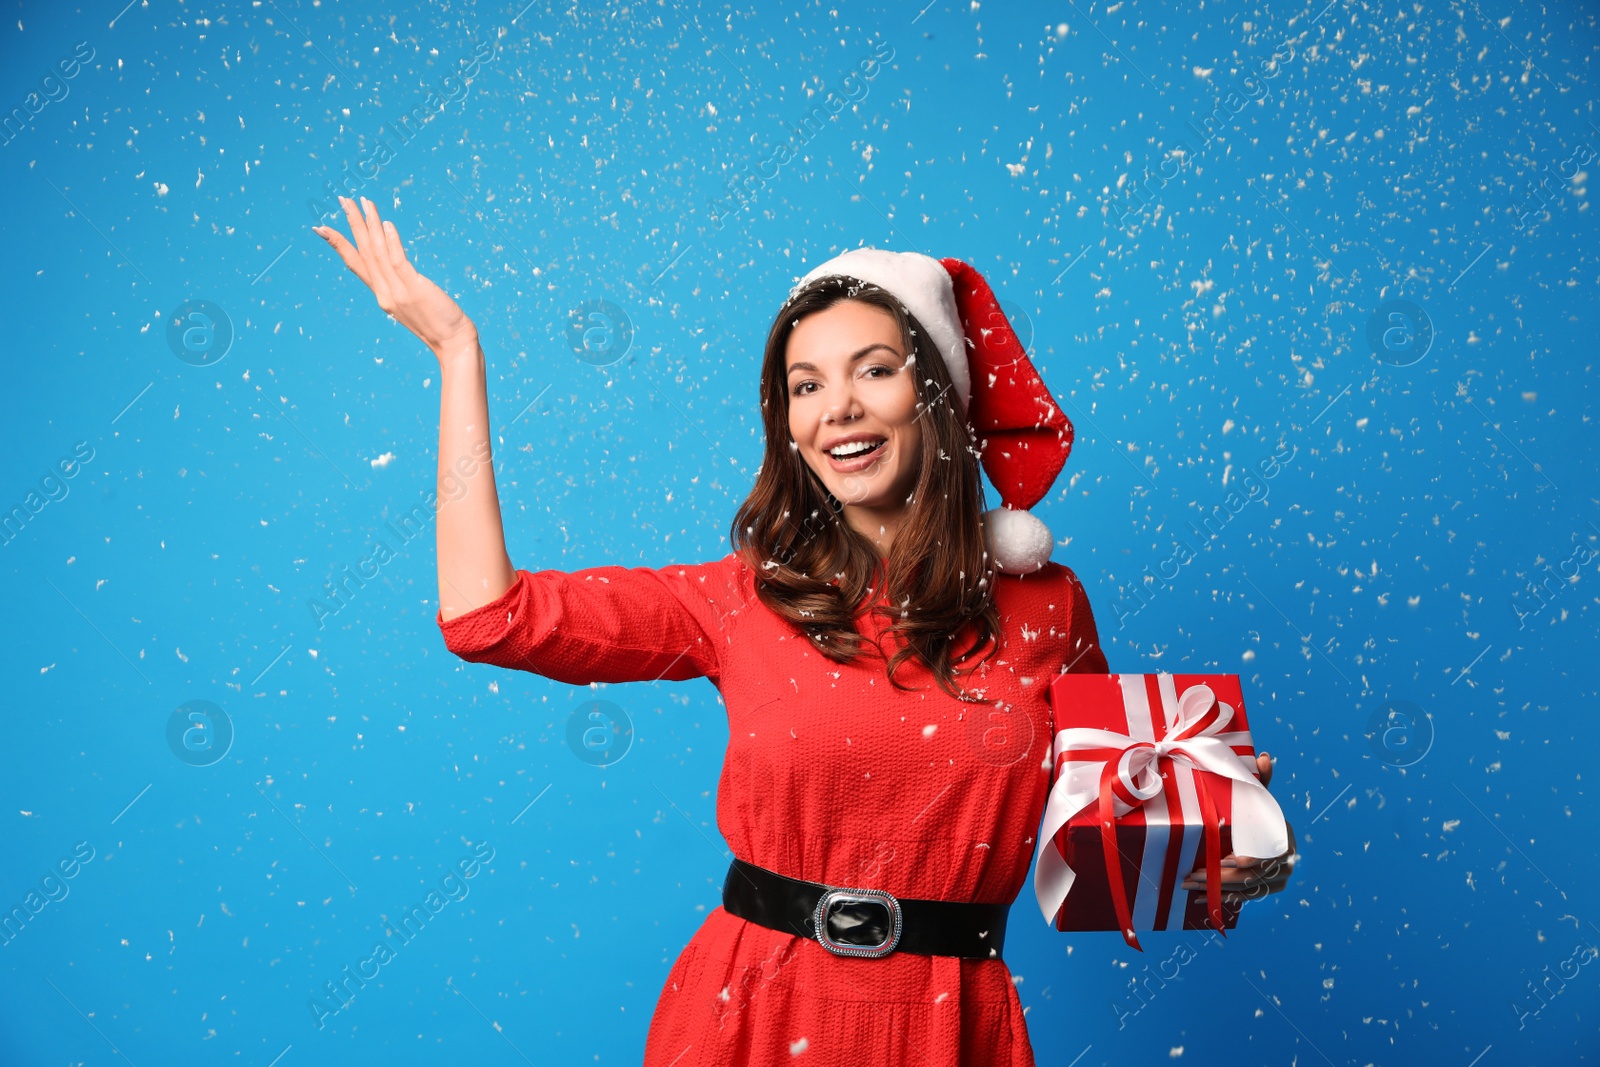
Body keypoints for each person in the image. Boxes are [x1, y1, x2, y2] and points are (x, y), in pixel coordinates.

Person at [314, 196, 1298, 1065]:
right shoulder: (736, 598)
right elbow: (490, 618)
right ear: (785, 420)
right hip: (746, 1013)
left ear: (939, 397)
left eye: (874, 369)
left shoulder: (1048, 605)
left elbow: (1108, 826)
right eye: (806, 384)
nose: (840, 408)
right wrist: (457, 353)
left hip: (948, 1023)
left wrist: (1218, 857)